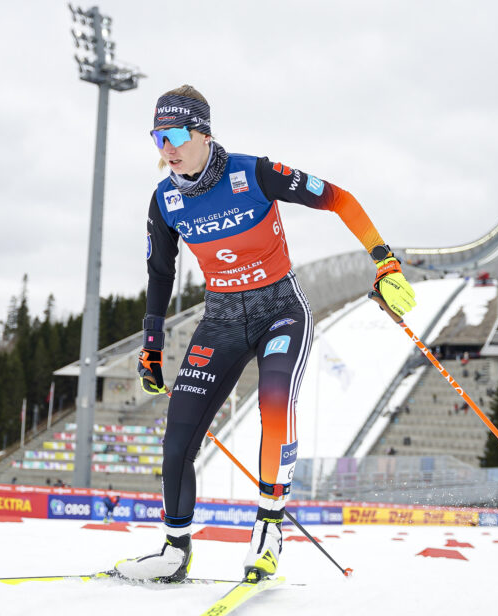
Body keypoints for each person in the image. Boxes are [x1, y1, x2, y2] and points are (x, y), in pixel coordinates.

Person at [114, 85, 417, 583]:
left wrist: (385, 262)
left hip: (280, 309)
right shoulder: (165, 200)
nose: (165, 149)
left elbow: (340, 198)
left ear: (203, 134)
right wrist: (151, 344)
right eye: (156, 137)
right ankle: (174, 549)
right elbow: (160, 274)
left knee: (275, 402)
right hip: (221, 319)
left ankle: (269, 529)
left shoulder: (252, 173)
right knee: (177, 439)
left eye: (174, 134)